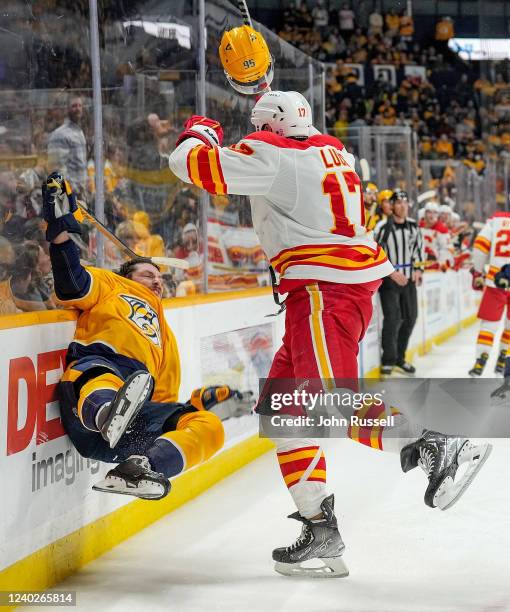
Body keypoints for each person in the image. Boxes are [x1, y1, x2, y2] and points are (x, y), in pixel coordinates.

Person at [167, 77, 490, 576]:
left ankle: (431, 441)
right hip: (332, 288)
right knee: (282, 408)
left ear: (271, 128)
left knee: (326, 399)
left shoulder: (274, 153)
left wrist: (201, 130)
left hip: (323, 289)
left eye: (258, 130)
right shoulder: (334, 151)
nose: (251, 138)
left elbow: (188, 164)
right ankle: (320, 529)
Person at [42, 172, 238, 500]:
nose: (157, 281)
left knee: (208, 427)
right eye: (148, 274)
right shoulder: (112, 284)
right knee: (98, 374)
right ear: (127, 275)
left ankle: (140, 468)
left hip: (132, 426)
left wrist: (195, 403)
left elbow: (160, 403)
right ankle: (108, 414)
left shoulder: (166, 336)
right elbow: (72, 283)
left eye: (159, 278)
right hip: (94, 382)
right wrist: (61, 235)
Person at [375, 190, 424, 377]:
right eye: (398, 202)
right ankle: (388, 360)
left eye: (405, 202)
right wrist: (392, 273)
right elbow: (376, 253)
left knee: (411, 318)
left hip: (409, 279)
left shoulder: (413, 226)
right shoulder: (382, 227)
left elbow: (419, 250)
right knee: (393, 318)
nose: (403, 206)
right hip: (389, 280)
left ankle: (399, 358)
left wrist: (418, 270)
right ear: (392, 205)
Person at [469, 211, 510, 377]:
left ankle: (481, 360)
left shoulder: (496, 221)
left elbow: (480, 245)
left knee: (489, 324)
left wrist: (478, 272)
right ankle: (503, 359)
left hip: (496, 279)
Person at [47, 97, 88, 197]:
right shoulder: (60, 134)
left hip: (80, 194)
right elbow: (56, 168)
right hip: (68, 196)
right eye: (74, 106)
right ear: (67, 110)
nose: (78, 109)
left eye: (80, 106)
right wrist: (72, 190)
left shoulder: (79, 132)